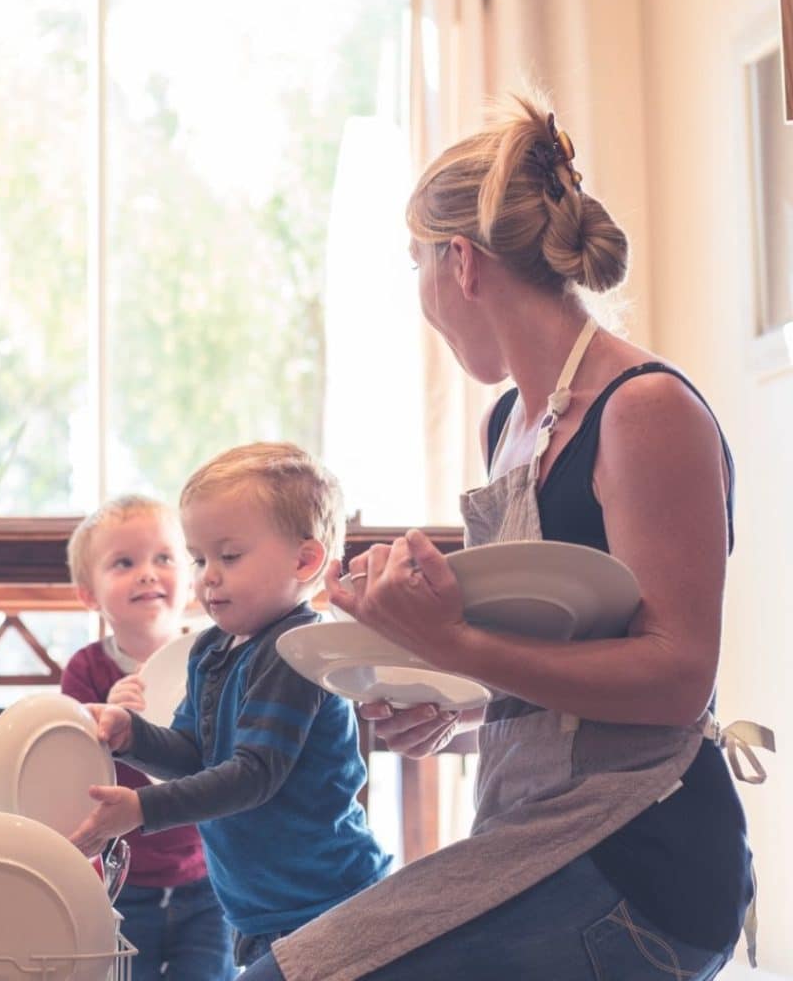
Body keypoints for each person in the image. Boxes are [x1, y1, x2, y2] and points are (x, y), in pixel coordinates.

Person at [237, 93, 765, 981]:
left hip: (644, 866)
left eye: (417, 261)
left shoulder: (644, 411)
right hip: (547, 834)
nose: (421, 293)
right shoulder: (511, 423)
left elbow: (675, 679)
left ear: (462, 263)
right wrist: (462, 712)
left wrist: (451, 641)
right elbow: (576, 697)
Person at [68, 443, 392, 970]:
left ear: (305, 560)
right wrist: (133, 736)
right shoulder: (212, 650)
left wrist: (141, 810)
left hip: (330, 903)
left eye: (230, 556)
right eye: (200, 558)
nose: (208, 576)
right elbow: (194, 754)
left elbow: (253, 776)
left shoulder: (297, 651)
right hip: (263, 909)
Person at [63, 495, 236, 981]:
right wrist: (102, 722)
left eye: (164, 558)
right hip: (122, 878)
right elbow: (67, 767)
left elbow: (230, 759)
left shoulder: (214, 657)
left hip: (207, 874)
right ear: (89, 596)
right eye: (125, 562)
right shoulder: (87, 669)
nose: (147, 572)